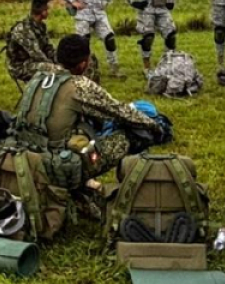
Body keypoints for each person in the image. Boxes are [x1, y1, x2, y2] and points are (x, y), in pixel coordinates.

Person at [12, 34, 160, 181]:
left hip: (25, 155)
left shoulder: (38, 78)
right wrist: (155, 126)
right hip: (56, 165)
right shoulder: (79, 85)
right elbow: (121, 111)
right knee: (133, 134)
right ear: (83, 64)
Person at [5, 0, 56, 84]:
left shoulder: (41, 26)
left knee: (63, 64)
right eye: (47, 9)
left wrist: (59, 58)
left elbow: (47, 47)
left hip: (33, 61)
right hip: (20, 66)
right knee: (54, 70)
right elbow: (37, 55)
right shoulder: (24, 29)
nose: (48, 12)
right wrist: (54, 65)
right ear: (41, 11)